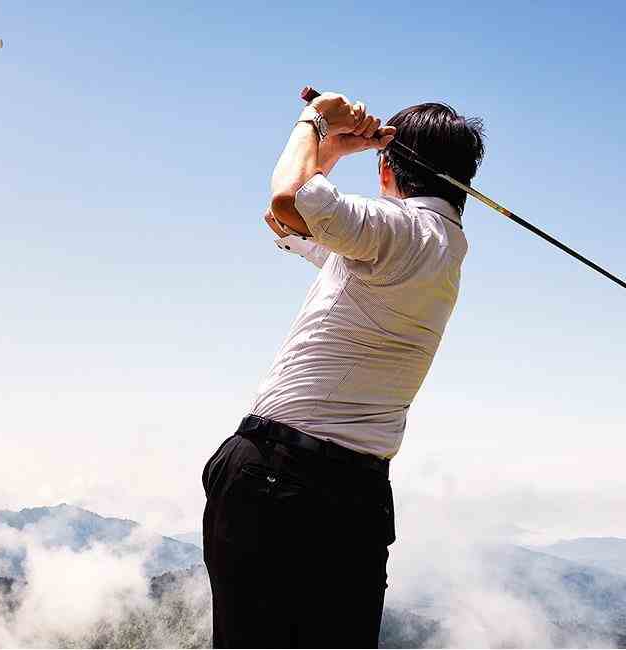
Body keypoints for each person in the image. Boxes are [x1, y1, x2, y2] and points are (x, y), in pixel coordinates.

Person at [201, 90, 485, 648]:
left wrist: (316, 121)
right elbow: (287, 222)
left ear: (387, 169)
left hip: (278, 479)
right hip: (356, 498)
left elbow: (288, 200)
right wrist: (333, 151)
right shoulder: (442, 247)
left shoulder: (396, 230)